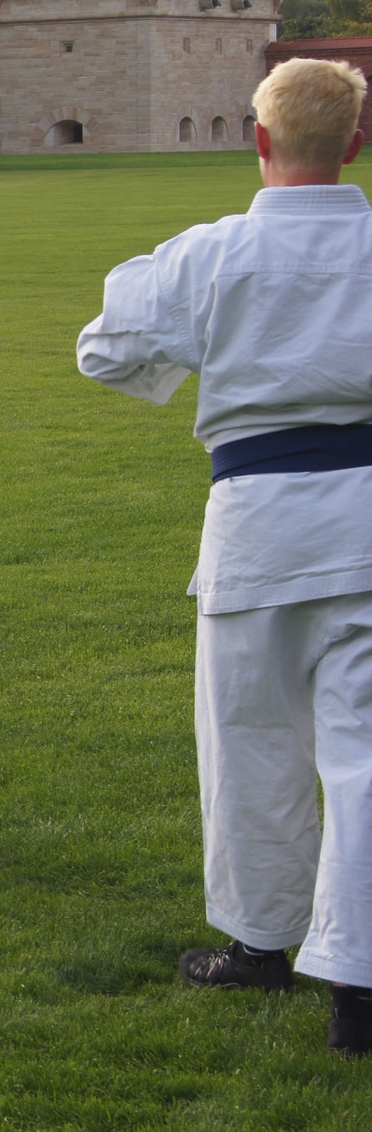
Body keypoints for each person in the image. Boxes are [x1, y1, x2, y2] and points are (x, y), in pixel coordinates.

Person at [77, 57, 372, 1058]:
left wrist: (189, 356)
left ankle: (261, 943)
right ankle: (358, 987)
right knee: (364, 755)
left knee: (249, 740)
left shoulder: (208, 256)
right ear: (356, 141)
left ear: (256, 141)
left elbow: (102, 348)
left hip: (255, 524)